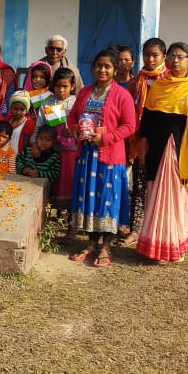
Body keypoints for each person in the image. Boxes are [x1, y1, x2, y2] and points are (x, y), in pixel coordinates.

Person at [136, 42, 188, 263]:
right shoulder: (159, 86)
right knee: (155, 195)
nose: (175, 60)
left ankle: (175, 245)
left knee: (180, 200)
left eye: (180, 57)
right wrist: (143, 144)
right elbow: (148, 120)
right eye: (171, 56)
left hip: (184, 153)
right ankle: (154, 247)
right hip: (157, 151)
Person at [66, 47, 136, 268]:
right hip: (87, 156)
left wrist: (106, 138)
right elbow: (72, 117)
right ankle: (90, 244)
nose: (102, 70)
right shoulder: (85, 92)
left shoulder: (122, 95)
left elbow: (130, 126)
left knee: (107, 199)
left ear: (115, 69)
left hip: (110, 157)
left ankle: (106, 247)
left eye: (107, 66)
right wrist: (75, 129)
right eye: (99, 66)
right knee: (89, 199)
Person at [118, 38, 168, 248]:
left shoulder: (170, 81)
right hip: (140, 141)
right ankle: (136, 230)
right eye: (147, 54)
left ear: (164, 56)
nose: (150, 59)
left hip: (164, 142)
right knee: (139, 186)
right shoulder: (136, 82)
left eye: (155, 55)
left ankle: (158, 230)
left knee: (161, 188)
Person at [47, 68, 78, 228]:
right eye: (58, 86)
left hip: (72, 150)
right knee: (56, 180)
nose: (61, 90)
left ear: (72, 86)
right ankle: (57, 214)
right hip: (53, 149)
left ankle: (71, 217)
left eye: (65, 86)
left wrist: (73, 131)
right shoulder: (48, 102)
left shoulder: (77, 103)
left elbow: (84, 122)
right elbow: (41, 124)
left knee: (69, 181)